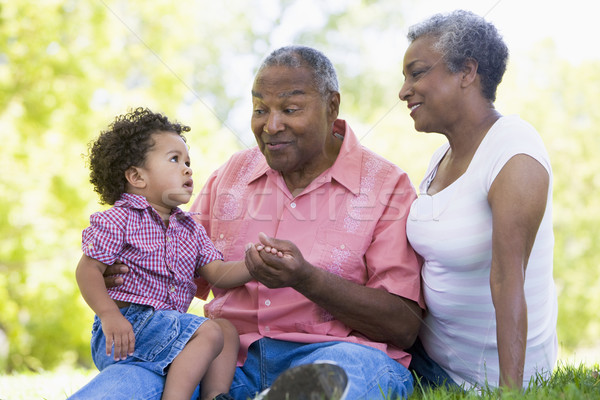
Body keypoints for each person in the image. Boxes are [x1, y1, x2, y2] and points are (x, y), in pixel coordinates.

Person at [98, 45, 425, 399]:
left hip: (333, 353)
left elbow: (404, 326)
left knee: (341, 374)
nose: (271, 125)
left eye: (290, 109)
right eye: (259, 109)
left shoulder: (386, 185)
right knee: (127, 386)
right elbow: (181, 265)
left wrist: (306, 278)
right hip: (225, 365)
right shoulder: (231, 175)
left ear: (332, 106)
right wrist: (126, 268)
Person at [399, 10, 558, 391]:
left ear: (467, 72)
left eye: (417, 73)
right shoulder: (441, 157)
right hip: (427, 357)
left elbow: (507, 277)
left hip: (476, 378)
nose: (403, 91)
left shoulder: (513, 149)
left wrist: (509, 393)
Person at [71, 108, 259, 400]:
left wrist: (255, 264)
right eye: (175, 160)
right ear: (136, 176)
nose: (187, 169)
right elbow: (88, 270)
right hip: (127, 328)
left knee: (225, 329)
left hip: (167, 329)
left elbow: (217, 274)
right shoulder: (119, 219)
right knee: (209, 331)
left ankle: (216, 396)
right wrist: (109, 315)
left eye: (187, 162)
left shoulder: (191, 229)